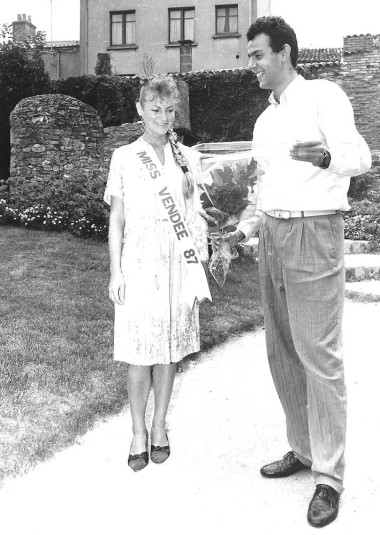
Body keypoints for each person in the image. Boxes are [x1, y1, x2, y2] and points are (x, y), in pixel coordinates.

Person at [224, 16, 372, 528]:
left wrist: (327, 156)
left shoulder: (324, 95)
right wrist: (243, 229)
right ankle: (304, 449)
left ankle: (329, 477)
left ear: (284, 53)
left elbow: (361, 157)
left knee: (319, 354)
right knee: (282, 348)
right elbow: (261, 188)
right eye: (248, 57)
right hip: (272, 233)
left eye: (257, 55)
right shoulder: (265, 121)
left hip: (315, 234)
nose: (252, 66)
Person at [104, 75, 211, 472]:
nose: (162, 118)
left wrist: (203, 254)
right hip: (139, 263)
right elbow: (116, 219)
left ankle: (160, 425)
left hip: (179, 265)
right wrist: (116, 271)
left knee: (168, 348)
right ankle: (137, 431)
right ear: (139, 110)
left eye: (169, 110)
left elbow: (198, 215)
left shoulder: (189, 157)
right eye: (154, 110)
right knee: (138, 351)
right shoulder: (124, 157)